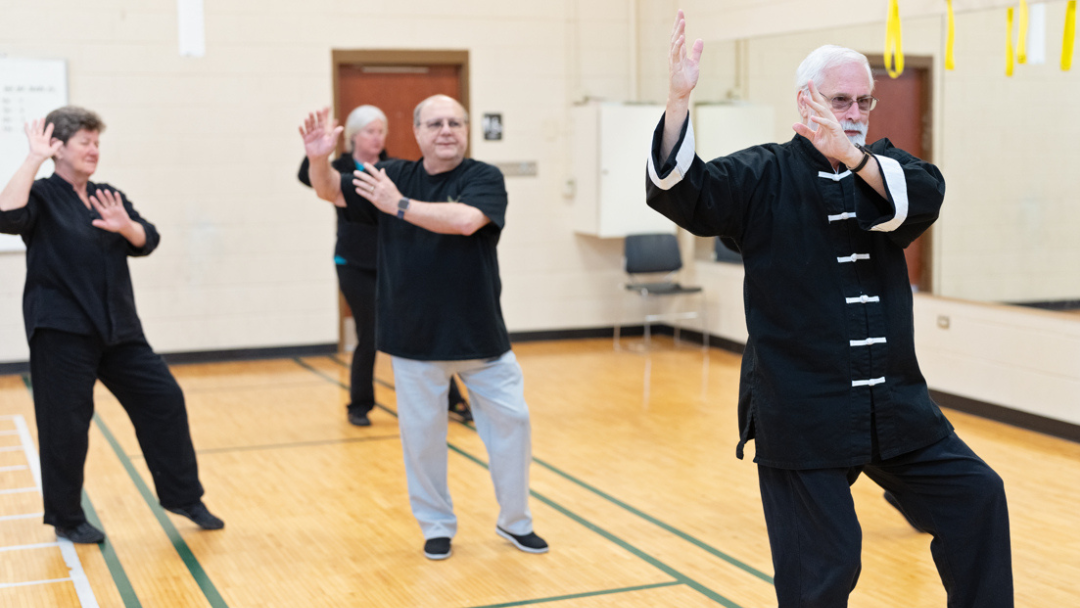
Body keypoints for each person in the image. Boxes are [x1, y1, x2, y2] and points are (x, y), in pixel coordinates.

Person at [645, 12, 1012, 607]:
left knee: (977, 497)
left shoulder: (889, 171)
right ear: (805, 99)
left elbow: (924, 197)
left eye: (863, 101)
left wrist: (854, 158)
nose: (855, 113)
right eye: (840, 99)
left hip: (895, 408)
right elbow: (681, 193)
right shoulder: (761, 174)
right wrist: (678, 99)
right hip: (801, 411)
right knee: (828, 563)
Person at [299, 95, 547, 560]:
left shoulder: (482, 177)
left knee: (514, 424)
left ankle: (516, 522)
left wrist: (399, 205)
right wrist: (318, 157)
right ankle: (436, 526)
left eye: (455, 122)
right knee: (422, 441)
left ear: (467, 130)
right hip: (412, 339)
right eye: (435, 123)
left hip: (480, 338)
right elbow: (330, 189)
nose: (446, 130)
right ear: (416, 133)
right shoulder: (391, 178)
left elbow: (467, 220)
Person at [0, 107, 223, 543]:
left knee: (164, 399)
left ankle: (182, 496)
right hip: (62, 331)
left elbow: (148, 240)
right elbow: (8, 217)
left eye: (97, 143)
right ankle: (66, 517)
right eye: (85, 142)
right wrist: (32, 159)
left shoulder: (107, 195)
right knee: (65, 425)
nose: (94, 151)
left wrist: (128, 227)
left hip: (119, 329)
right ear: (59, 148)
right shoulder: (43, 195)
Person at [297, 105, 472, 427]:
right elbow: (315, 181)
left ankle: (453, 399)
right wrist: (318, 155)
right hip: (354, 263)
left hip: (395, 262)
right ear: (354, 137)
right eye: (370, 131)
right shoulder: (343, 166)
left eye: (381, 131)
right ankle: (359, 404)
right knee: (371, 333)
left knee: (422, 327)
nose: (377, 138)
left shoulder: (393, 168)